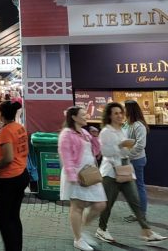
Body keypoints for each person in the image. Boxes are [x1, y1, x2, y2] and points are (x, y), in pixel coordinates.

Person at [96, 102, 167, 245]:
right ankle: (101, 229)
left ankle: (147, 231)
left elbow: (126, 151)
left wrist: (126, 148)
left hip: (125, 170)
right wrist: (121, 146)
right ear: (109, 116)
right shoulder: (106, 132)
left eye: (121, 113)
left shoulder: (123, 129)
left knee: (135, 201)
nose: (120, 115)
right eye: (116, 113)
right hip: (110, 173)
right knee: (107, 204)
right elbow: (105, 152)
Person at [0, 100, 29, 251]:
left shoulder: (6, 132)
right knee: (13, 216)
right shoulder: (19, 128)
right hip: (21, 174)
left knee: (3, 217)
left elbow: (8, 158)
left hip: (9, 180)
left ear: (1, 114)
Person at [58, 106, 106, 251]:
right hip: (76, 175)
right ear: (74, 117)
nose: (86, 116)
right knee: (77, 206)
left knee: (100, 204)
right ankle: (78, 239)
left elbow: (96, 152)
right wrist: (72, 176)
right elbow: (65, 157)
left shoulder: (85, 132)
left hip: (89, 173)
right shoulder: (66, 134)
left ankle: (80, 229)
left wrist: (95, 138)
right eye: (83, 114)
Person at [123, 100, 149, 221]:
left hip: (136, 160)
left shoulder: (139, 125)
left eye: (124, 108)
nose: (122, 111)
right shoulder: (127, 123)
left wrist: (128, 154)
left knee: (139, 186)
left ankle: (141, 213)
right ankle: (138, 212)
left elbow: (140, 145)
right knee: (133, 187)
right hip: (130, 159)